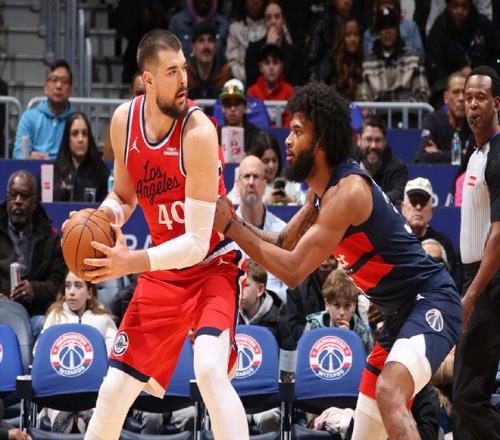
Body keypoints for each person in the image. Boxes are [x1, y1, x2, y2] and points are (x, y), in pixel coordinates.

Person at [214, 82, 462, 440]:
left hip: (431, 301)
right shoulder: (320, 192)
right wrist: (232, 224)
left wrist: (231, 227)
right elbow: (284, 242)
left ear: (321, 141)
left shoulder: (348, 192)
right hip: (398, 318)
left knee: (390, 391)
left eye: (297, 131)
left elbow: (292, 271)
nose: (287, 140)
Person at [67, 29, 248, 440]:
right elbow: (123, 197)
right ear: (148, 80)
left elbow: (197, 243)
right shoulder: (123, 122)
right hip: (164, 272)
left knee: (209, 371)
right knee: (113, 391)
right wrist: (100, 217)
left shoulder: (199, 133)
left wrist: (131, 262)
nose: (184, 80)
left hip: (212, 267)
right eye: (171, 72)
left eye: (184, 68)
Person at [452, 65, 500, 440]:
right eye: (467, 97)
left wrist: (470, 296)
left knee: (468, 396)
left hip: (489, 282)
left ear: (497, 104)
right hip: (475, 278)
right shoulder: (476, 154)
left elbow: (498, 236)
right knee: (463, 395)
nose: (472, 105)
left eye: (480, 98)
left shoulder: (498, 155)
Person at [40, 271, 117, 434]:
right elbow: (39, 356)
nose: (71, 292)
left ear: (89, 292)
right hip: (59, 393)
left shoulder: (103, 320)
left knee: (92, 424)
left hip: (93, 393)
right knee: (62, 420)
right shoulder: (55, 318)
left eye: (78, 286)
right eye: (67, 286)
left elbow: (114, 356)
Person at [0, 170, 66, 337]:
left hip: (35, 315)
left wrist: (34, 290)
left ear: (35, 202)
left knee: (45, 325)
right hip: (1, 310)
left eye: (24, 196)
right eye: (13, 195)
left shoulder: (50, 239)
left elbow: (58, 283)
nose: (17, 201)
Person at [228, 155, 289, 302]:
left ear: (265, 183)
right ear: (237, 183)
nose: (251, 182)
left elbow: (289, 284)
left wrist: (267, 300)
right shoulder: (226, 232)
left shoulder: (282, 230)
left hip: (275, 307)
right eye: (246, 176)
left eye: (256, 177)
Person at [426, 0, 500, 106]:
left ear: (470, 5)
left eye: (464, 7)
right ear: (449, 5)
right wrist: (458, 78)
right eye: (455, 6)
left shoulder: (483, 25)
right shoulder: (439, 28)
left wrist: (484, 76)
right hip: (450, 86)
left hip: (484, 83)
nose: (460, 11)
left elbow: (497, 57)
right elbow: (434, 66)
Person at [356, 7, 430, 104]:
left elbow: (423, 92)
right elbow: (363, 96)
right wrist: (369, 109)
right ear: (378, 32)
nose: (388, 31)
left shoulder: (413, 58)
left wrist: (405, 108)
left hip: (407, 110)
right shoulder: (368, 62)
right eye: (383, 27)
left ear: (397, 30)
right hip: (377, 111)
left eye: (391, 26)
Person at [401, 178, 459, 284]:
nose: (418, 207)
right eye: (413, 201)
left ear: (432, 211)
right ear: (403, 208)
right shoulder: (393, 240)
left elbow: (453, 282)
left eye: (423, 202)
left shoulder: (443, 242)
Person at [13, 59, 74, 160]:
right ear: (46, 88)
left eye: (64, 81)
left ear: (70, 90)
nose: (58, 86)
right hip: (35, 168)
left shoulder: (77, 121)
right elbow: (19, 155)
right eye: (54, 80)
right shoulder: (29, 118)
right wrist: (29, 158)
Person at [304, 268, 373, 355]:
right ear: (327, 303)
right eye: (336, 305)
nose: (342, 313)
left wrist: (349, 339)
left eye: (347, 306)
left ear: (354, 305)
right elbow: (304, 357)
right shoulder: (314, 326)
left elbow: (364, 360)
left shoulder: (361, 332)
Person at [414, 71, 473, 164]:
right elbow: (421, 158)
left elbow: (479, 158)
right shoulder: (433, 120)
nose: (461, 98)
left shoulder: (475, 123)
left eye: (465, 93)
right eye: (455, 92)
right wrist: (462, 154)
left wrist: (439, 154)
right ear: (446, 97)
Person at [244, 1, 305, 87]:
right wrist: (268, 48)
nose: (273, 22)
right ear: (264, 23)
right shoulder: (253, 50)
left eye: (277, 17)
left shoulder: (295, 53)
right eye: (268, 18)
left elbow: (295, 87)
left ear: (283, 21)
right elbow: (252, 85)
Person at [53, 112, 110, 203]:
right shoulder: (53, 172)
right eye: (74, 134)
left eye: (85, 134)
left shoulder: (101, 172)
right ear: (67, 138)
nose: (80, 139)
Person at [354, 116, 408, 205]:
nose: (373, 146)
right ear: (359, 140)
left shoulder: (397, 167)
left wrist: (367, 200)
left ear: (384, 141)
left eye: (378, 140)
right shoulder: (348, 165)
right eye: (369, 139)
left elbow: (399, 193)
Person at [312, 16, 364, 102]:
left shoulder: (363, 62)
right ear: (341, 37)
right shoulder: (330, 62)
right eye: (348, 35)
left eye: (356, 34)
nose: (353, 39)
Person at [247, 131, 306, 205]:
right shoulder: (249, 184)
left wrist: (290, 201)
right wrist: (266, 202)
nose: (271, 166)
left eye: (274, 160)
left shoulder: (290, 184)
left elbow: (307, 203)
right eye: (266, 161)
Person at [246, 44, 293, 127]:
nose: (271, 68)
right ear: (260, 67)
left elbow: (290, 123)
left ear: (281, 67)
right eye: (267, 63)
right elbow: (251, 122)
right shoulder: (252, 92)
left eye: (275, 62)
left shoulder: (289, 91)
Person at [103, 71, 146, 162]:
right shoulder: (118, 123)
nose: (144, 98)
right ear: (131, 93)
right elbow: (109, 164)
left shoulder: (165, 123)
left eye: (149, 93)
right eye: (139, 93)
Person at [186, 22, 232, 100]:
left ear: (215, 47)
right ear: (193, 48)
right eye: (201, 40)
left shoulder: (225, 73)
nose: (206, 46)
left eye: (210, 40)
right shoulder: (185, 74)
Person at [225, 0, 266, 84]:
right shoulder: (235, 29)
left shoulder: (273, 24)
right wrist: (252, 77)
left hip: (269, 82)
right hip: (243, 83)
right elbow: (232, 63)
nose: (255, 1)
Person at [218, 78, 263, 153]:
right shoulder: (216, 134)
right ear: (223, 108)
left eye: (237, 104)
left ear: (245, 107)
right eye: (228, 104)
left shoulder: (256, 135)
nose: (232, 109)